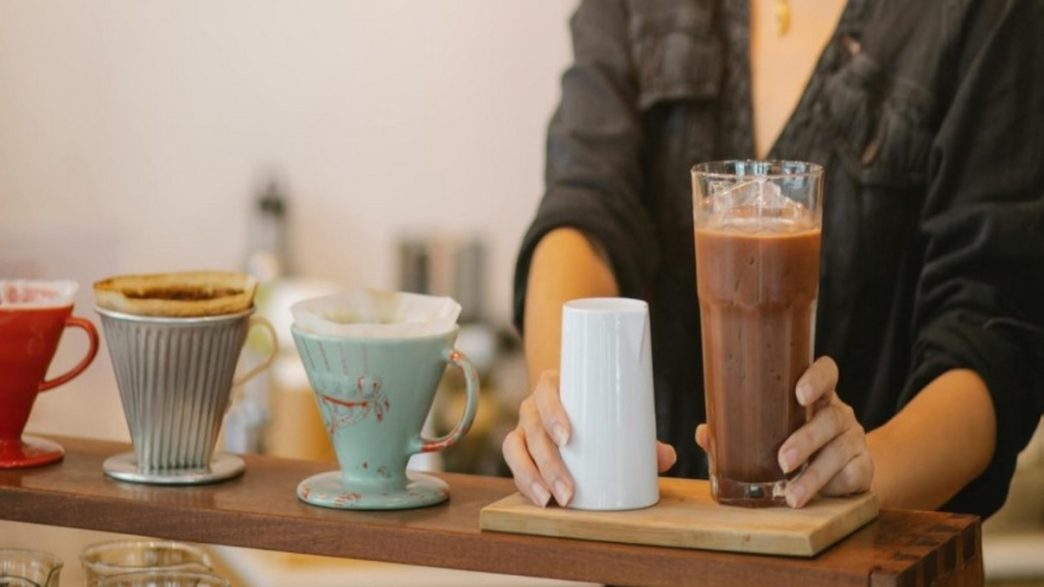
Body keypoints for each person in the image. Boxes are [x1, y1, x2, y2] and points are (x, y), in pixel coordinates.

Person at [503, 0, 1044, 518]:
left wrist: (863, 472)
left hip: (870, 553)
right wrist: (568, 416)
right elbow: (584, 209)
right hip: (646, 542)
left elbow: (993, 331)